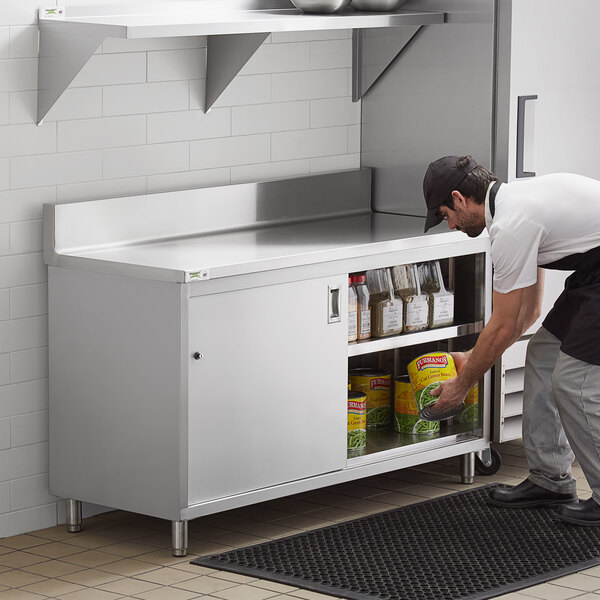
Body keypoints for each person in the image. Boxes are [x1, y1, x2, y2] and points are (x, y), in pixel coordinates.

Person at [422, 155, 600, 525]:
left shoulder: (512, 224)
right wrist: (474, 355)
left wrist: (462, 383)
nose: (451, 226)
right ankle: (551, 478)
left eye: (445, 215)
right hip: (592, 274)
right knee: (544, 355)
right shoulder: (516, 204)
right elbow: (527, 314)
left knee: (574, 382)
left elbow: (504, 326)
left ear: (458, 198)